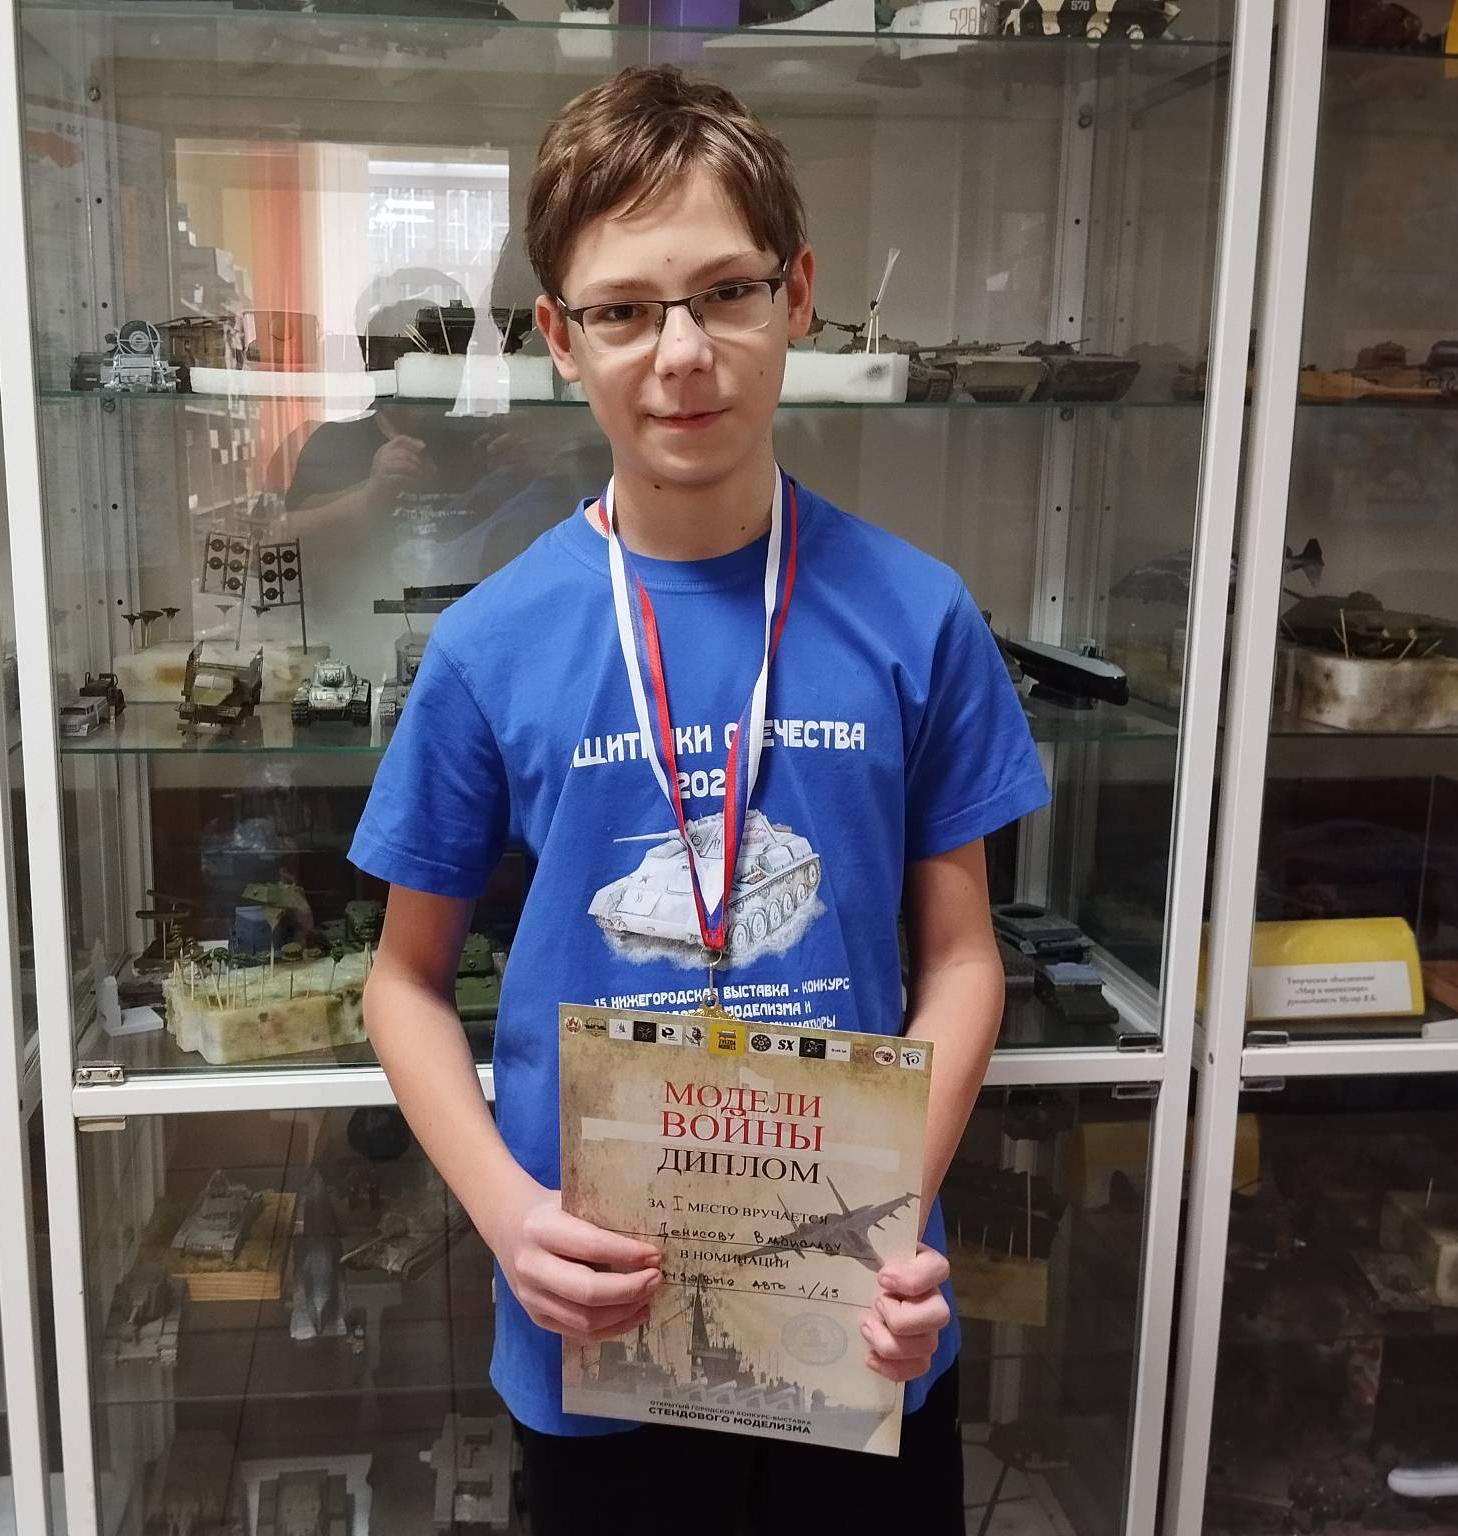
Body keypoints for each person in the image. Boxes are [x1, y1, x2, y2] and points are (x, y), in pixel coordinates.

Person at [348, 65, 1048, 1532]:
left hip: (855, 1323)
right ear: (560, 338)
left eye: (726, 292)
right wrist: (508, 1216)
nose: (682, 354)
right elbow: (403, 983)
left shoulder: (919, 619)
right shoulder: (492, 645)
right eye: (622, 309)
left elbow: (964, 956)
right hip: (603, 1326)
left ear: (799, 295)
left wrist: (887, 1214)